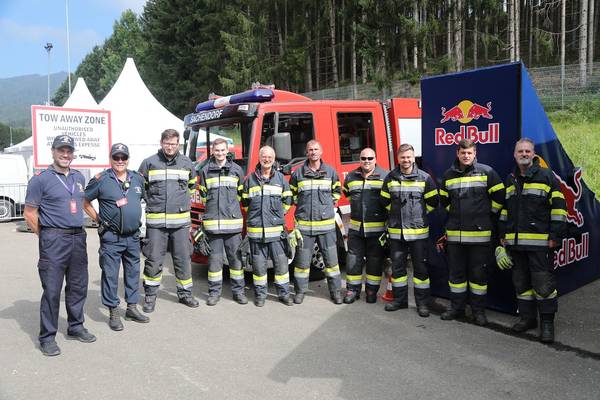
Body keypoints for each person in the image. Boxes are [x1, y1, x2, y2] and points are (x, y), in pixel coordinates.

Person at [24, 134, 96, 357]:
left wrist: (98, 219)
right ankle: (47, 337)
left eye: (69, 151)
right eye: (61, 150)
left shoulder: (78, 177)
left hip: (78, 238)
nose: (65, 154)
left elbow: (82, 203)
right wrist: (46, 236)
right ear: (53, 151)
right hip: (54, 239)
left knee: (78, 286)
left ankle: (76, 326)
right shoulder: (40, 179)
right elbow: (29, 213)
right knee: (52, 290)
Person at [498, 138, 566, 343]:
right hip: (516, 245)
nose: (524, 154)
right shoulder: (510, 179)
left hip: (540, 245)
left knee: (543, 286)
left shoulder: (546, 176)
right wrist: (502, 235)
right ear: (515, 155)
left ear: (534, 154)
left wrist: (555, 236)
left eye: (528, 151)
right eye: (520, 151)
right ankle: (528, 319)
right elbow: (505, 211)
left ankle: (547, 324)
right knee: (521, 284)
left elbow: (559, 208)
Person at [438, 138, 505, 325]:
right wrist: (456, 216)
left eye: (469, 153)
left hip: (480, 237)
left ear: (475, 153)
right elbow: (444, 201)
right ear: (457, 153)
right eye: (463, 152)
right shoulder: (448, 175)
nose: (466, 156)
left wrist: (486, 214)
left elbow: (500, 197)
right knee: (456, 276)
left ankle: (478, 312)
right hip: (455, 238)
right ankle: (456, 308)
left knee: (478, 277)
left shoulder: (487, 172)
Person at [83, 143, 149, 331]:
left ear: (128, 159)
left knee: (133, 273)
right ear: (110, 158)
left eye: (123, 157)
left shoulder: (137, 178)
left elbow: (142, 199)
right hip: (111, 237)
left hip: (133, 237)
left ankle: (131, 308)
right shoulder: (101, 179)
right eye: (116, 157)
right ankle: (113, 311)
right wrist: (98, 219)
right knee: (110, 275)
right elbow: (84, 201)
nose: (120, 161)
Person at [138, 129, 199, 312]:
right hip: (156, 224)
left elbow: (191, 186)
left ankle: (185, 294)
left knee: (183, 260)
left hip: (180, 224)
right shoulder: (149, 163)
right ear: (161, 143)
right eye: (167, 143)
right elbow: (141, 188)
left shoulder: (186, 163)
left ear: (178, 144)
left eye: (173, 144)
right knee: (154, 260)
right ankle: (150, 296)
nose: (170, 147)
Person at [380, 144, 439, 317]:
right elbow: (384, 201)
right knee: (398, 270)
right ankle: (400, 301)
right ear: (398, 158)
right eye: (403, 157)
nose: (406, 160)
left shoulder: (425, 178)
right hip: (397, 233)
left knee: (420, 270)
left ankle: (422, 304)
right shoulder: (390, 177)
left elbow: (433, 202)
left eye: (408, 157)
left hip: (418, 233)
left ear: (414, 158)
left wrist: (419, 215)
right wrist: (395, 214)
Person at [290, 139, 342, 304]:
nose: (313, 152)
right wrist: (303, 207)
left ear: (321, 152)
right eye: (310, 150)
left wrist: (327, 205)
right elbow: (292, 195)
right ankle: (300, 292)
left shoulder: (330, 172)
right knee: (302, 263)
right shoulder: (298, 174)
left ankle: (336, 292)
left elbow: (337, 192)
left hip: (326, 227)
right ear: (307, 152)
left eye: (316, 149)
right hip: (305, 227)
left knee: (332, 262)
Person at [241, 146, 293, 307]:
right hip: (256, 233)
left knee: (281, 265)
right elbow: (245, 203)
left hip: (277, 233)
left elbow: (288, 201)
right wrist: (256, 218)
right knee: (258, 267)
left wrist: (277, 216)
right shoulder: (250, 179)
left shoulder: (280, 179)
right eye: (264, 156)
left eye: (270, 157)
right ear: (259, 158)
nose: (267, 159)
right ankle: (260, 295)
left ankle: (284, 294)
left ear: (274, 159)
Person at [197, 138, 247, 306]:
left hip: (232, 226)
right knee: (214, 263)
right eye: (217, 150)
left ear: (227, 151)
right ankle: (214, 293)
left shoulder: (237, 170)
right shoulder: (205, 171)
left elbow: (240, 196)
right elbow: (204, 197)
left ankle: (239, 292)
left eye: (222, 150)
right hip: (213, 227)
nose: (220, 153)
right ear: (213, 151)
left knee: (236, 262)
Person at [342, 148, 388, 304]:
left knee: (374, 261)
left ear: (375, 159)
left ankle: (371, 291)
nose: (366, 161)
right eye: (363, 158)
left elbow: (389, 200)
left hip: (377, 229)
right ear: (359, 160)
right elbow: (348, 194)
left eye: (370, 158)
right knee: (353, 260)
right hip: (356, 229)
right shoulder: (351, 177)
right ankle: (352, 290)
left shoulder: (385, 176)